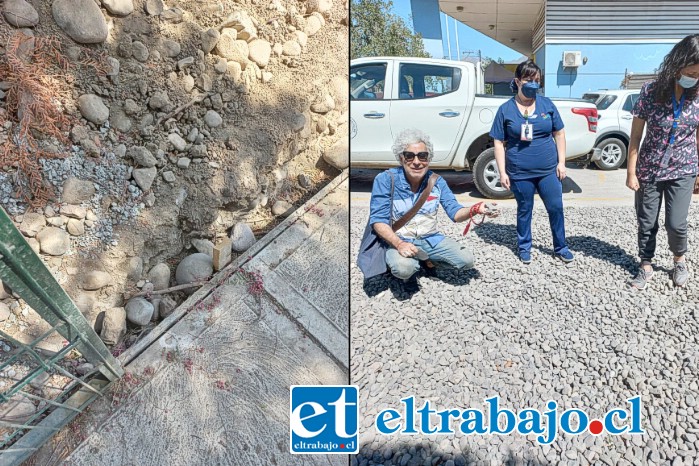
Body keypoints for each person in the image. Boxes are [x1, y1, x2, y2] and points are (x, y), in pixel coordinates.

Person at [368, 129, 498, 281]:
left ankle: (427, 261)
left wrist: (476, 209)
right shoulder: (385, 180)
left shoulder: (437, 182)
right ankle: (403, 265)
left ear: (428, 159)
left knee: (466, 260)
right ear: (401, 158)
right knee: (404, 269)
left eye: (422, 156)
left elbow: (455, 213)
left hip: (431, 238)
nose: (416, 162)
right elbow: (378, 221)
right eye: (409, 156)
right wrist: (399, 244)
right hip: (399, 239)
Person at [626, 34, 699, 289]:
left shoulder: (698, 94)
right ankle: (645, 264)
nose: (694, 78)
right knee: (646, 221)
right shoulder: (650, 90)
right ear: (678, 65)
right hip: (650, 168)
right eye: (692, 72)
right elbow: (636, 135)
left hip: (684, 168)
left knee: (676, 223)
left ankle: (679, 260)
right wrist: (631, 172)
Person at [489, 60, 574, 264]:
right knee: (525, 209)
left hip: (548, 170)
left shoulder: (547, 104)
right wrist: (502, 172)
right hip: (520, 172)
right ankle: (524, 246)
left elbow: (559, 133)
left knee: (555, 207)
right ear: (517, 81)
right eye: (529, 80)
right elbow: (499, 142)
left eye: (537, 80)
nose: (533, 84)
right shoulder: (505, 110)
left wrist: (561, 163)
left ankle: (560, 246)